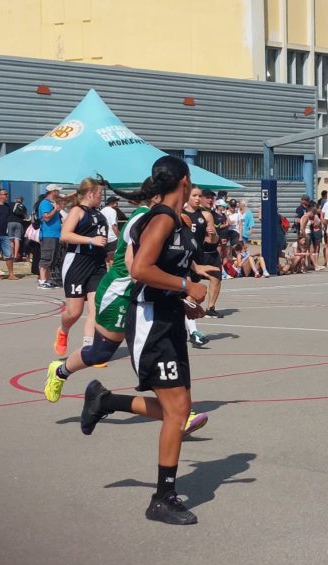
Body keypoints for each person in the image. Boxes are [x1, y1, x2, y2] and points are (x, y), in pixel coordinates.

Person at [78, 155, 208, 525]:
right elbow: (140, 269)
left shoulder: (177, 220)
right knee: (177, 412)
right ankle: (162, 498)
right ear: (185, 180)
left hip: (168, 318)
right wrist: (187, 285)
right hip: (150, 323)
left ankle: (105, 400)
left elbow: (162, 273)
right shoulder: (162, 218)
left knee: (178, 410)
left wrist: (185, 301)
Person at [55, 178, 109, 357]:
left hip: (97, 265)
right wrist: (91, 240)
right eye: (99, 194)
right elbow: (65, 235)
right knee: (74, 312)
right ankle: (63, 330)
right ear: (90, 194)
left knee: (96, 309)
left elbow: (104, 239)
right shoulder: (77, 211)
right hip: (77, 263)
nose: (101, 197)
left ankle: (89, 350)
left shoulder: (100, 215)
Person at [183, 187, 216, 347]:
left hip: (198, 258)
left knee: (190, 297)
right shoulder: (180, 214)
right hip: (184, 258)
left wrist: (213, 233)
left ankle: (185, 329)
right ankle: (193, 333)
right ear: (187, 196)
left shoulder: (205, 215)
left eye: (199, 196)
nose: (197, 198)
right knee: (190, 295)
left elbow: (212, 240)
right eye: (194, 195)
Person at [199, 189, 227, 318]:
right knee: (193, 280)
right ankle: (189, 305)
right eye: (207, 197)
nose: (210, 200)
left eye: (212, 198)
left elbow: (217, 232)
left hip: (212, 251)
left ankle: (210, 308)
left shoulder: (216, 215)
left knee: (216, 278)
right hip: (199, 252)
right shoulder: (195, 214)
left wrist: (220, 239)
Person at [38, 184, 65, 289]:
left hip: (55, 235)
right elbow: (46, 217)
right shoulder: (45, 203)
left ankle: (48, 279)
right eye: (57, 191)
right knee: (46, 257)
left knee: (52, 258)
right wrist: (55, 209)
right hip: (48, 235)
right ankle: (42, 280)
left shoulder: (52, 203)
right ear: (52, 192)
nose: (58, 193)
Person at [8, 195, 29, 262]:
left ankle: (12, 255)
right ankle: (15, 256)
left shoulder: (10, 204)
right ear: (22, 201)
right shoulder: (24, 207)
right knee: (17, 240)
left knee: (11, 240)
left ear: (15, 199)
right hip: (19, 223)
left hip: (10, 222)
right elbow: (25, 217)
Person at [103, 196, 121, 267]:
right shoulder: (112, 211)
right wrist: (119, 237)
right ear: (112, 203)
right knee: (113, 259)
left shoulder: (102, 211)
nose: (117, 204)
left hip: (104, 237)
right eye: (116, 202)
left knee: (106, 259)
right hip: (112, 238)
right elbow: (114, 225)